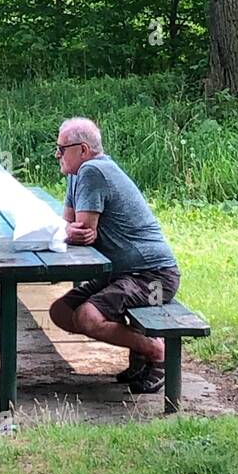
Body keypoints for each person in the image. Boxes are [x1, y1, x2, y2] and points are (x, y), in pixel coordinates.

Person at [48, 116, 181, 395]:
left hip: (152, 275)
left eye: (62, 148)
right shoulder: (77, 174)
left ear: (82, 149)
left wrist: (69, 230)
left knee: (86, 317)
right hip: (123, 273)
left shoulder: (92, 172)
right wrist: (68, 230)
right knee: (61, 312)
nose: (57, 154)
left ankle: (157, 352)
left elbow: (83, 232)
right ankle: (140, 352)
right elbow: (69, 226)